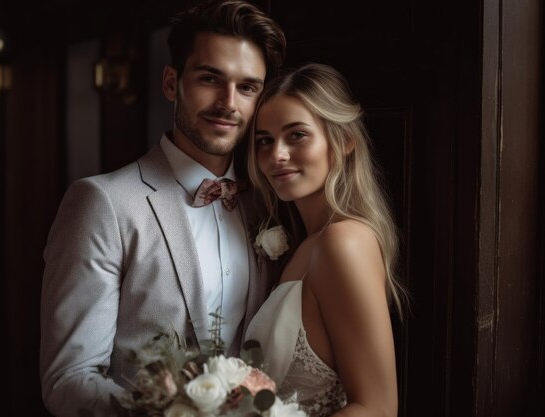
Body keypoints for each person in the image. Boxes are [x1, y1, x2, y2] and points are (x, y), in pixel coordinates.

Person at [39, 1, 286, 416]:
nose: (229, 103)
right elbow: (69, 378)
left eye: (247, 87)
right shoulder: (102, 203)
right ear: (172, 83)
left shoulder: (266, 203)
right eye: (211, 78)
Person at [245, 63, 406, 417]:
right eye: (264, 141)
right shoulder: (309, 244)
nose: (277, 155)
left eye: (296, 135)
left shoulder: (343, 242)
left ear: (345, 141)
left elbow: (377, 409)